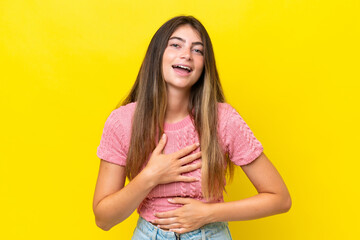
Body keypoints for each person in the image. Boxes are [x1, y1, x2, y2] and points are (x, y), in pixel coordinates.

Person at [93, 15, 291, 239]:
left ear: (204, 66)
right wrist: (151, 175)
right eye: (176, 45)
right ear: (157, 55)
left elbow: (280, 198)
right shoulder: (122, 121)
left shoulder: (223, 119)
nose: (186, 54)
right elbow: (104, 219)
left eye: (198, 50)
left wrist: (208, 213)